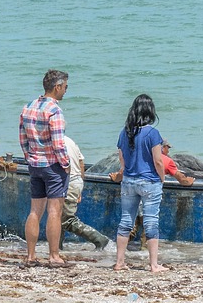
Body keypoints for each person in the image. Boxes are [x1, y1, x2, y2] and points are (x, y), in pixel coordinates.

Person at [19, 70, 70, 266]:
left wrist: (29, 157)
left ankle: (31, 255)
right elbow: (58, 144)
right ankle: (54, 255)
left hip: (35, 164)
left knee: (35, 211)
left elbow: (23, 139)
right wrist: (66, 164)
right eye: (65, 87)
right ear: (57, 87)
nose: (65, 91)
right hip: (52, 165)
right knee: (54, 212)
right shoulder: (54, 111)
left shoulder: (28, 107)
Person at [111, 94, 167, 273]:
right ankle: (153, 264)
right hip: (149, 181)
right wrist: (162, 178)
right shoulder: (152, 133)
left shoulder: (125, 132)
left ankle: (119, 263)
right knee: (151, 222)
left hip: (128, 180)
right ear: (150, 111)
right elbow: (158, 161)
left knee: (126, 221)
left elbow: (121, 158)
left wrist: (126, 171)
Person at [60, 135, 110, 250]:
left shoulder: (55, 142)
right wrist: (80, 186)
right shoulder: (70, 141)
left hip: (67, 181)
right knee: (58, 217)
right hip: (76, 181)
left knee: (66, 220)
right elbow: (81, 162)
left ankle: (99, 239)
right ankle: (57, 248)